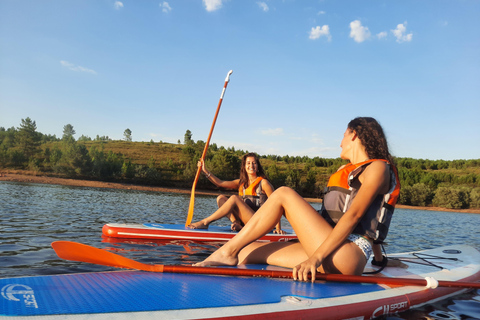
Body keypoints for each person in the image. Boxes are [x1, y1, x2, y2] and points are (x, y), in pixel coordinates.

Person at [194, 117, 400, 281]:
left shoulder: (378, 168)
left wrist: (315, 259)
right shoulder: (347, 171)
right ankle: (229, 258)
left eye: (344, 135)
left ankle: (225, 252)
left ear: (354, 134)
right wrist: (381, 260)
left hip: (345, 256)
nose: (340, 142)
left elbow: (355, 216)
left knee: (283, 193)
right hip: (326, 250)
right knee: (246, 252)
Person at [188, 152, 286, 234]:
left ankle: (205, 222)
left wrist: (278, 228)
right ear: (244, 166)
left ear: (258, 166)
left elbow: (277, 206)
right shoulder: (241, 183)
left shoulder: (264, 183)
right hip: (246, 222)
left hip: (259, 223)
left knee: (234, 198)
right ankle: (237, 223)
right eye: (248, 163)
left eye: (254, 163)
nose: (251, 166)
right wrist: (205, 171)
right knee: (221, 198)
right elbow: (220, 183)